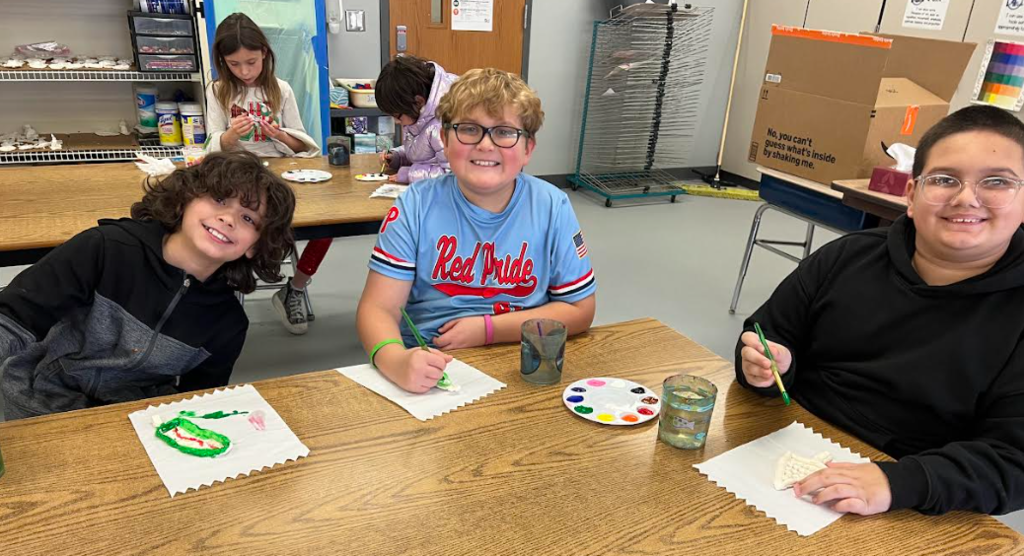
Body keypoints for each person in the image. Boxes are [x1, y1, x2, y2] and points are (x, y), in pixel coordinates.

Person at [735, 105, 1024, 516]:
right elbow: (765, 334)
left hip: (913, 497)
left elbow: (1013, 463)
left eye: (997, 182)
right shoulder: (848, 256)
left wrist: (897, 481)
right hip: (784, 448)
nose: (965, 198)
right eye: (944, 180)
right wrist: (767, 369)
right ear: (911, 195)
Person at [0, 151, 296, 420]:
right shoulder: (105, 249)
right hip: (37, 403)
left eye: (248, 217)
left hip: (133, 422)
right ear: (185, 199)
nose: (228, 218)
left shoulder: (227, 323)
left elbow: (199, 404)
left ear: (254, 247)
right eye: (219, 199)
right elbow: (13, 317)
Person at [356, 68, 597, 394]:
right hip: (429, 361)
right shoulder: (415, 204)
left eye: (504, 132)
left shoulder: (552, 207)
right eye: (469, 129)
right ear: (444, 138)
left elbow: (579, 310)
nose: (485, 144)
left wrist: (488, 330)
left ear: (528, 149)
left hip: (521, 357)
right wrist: (396, 360)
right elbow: (378, 308)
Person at [204, 12, 320, 335]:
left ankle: (293, 288)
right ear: (222, 62)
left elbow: (304, 146)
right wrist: (229, 137)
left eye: (251, 62)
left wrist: (279, 135)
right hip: (234, 179)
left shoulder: (281, 89)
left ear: (265, 55)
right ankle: (230, 285)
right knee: (239, 223)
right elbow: (211, 146)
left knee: (324, 222)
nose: (244, 71)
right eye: (235, 64)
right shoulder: (217, 91)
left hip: (278, 175)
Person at [376, 55, 457, 184]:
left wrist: (410, 175)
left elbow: (452, 176)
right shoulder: (422, 117)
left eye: (398, 116)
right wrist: (397, 157)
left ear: (418, 102)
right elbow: (424, 153)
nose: (397, 122)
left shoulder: (440, 126)